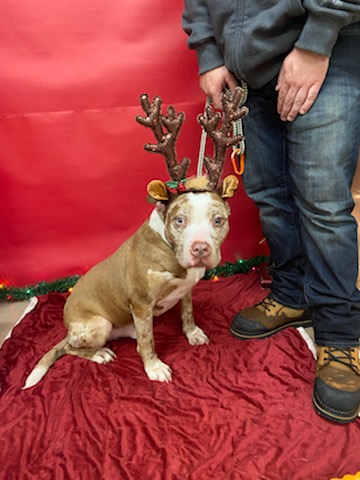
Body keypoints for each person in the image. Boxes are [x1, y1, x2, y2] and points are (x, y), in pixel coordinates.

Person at [182, 1, 360, 424]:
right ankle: (293, 294)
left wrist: (316, 42)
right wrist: (209, 52)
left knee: (322, 203)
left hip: (326, 51)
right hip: (249, 68)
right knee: (268, 193)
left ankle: (340, 333)